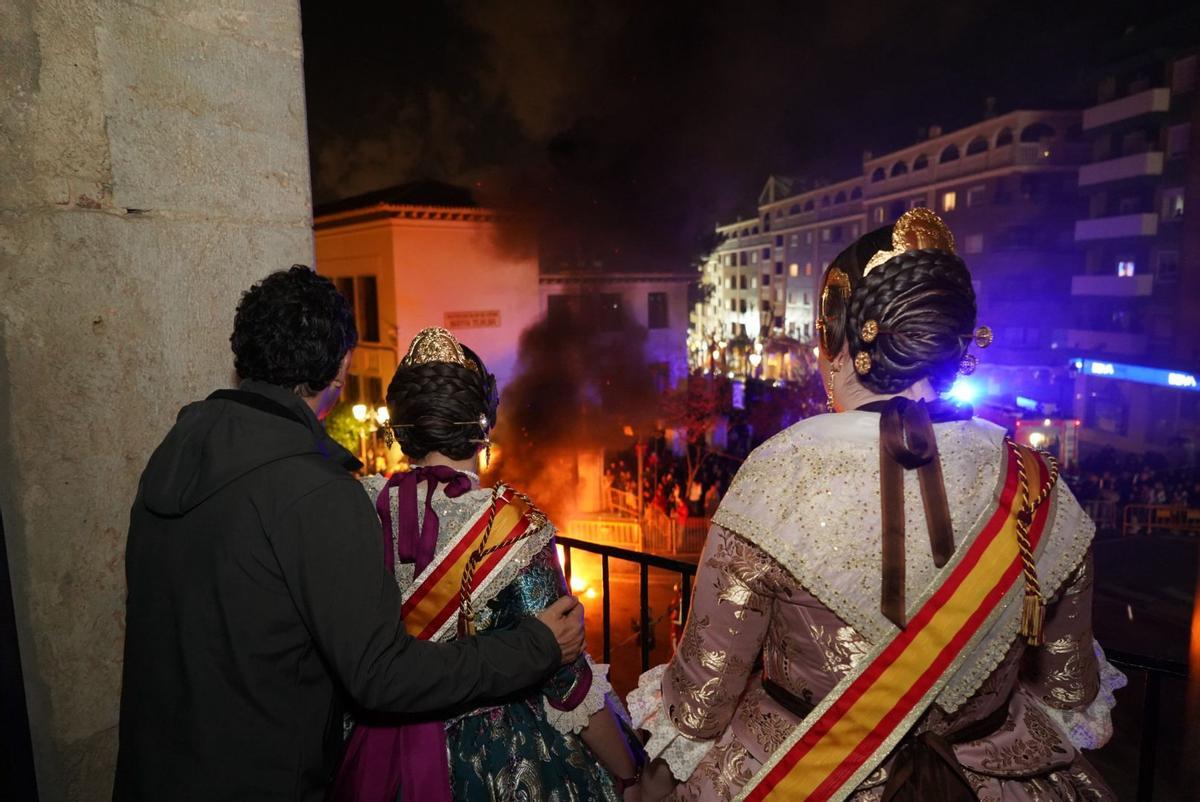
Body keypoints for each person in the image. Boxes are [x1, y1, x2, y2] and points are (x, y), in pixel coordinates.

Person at [627, 211, 1123, 801]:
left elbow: (701, 702)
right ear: (956, 343)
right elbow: (1067, 690)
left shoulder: (779, 471)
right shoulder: (1035, 478)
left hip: (804, 776)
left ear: (837, 339)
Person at [115, 268, 585, 802]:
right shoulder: (313, 490)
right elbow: (382, 674)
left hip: (159, 769)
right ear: (339, 367)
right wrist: (536, 645)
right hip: (259, 777)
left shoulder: (173, 456)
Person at [330, 328, 646, 802]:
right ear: (484, 429)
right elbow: (566, 677)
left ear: (399, 431)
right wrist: (629, 773)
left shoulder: (357, 506)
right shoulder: (511, 522)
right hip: (493, 759)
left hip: (372, 750)